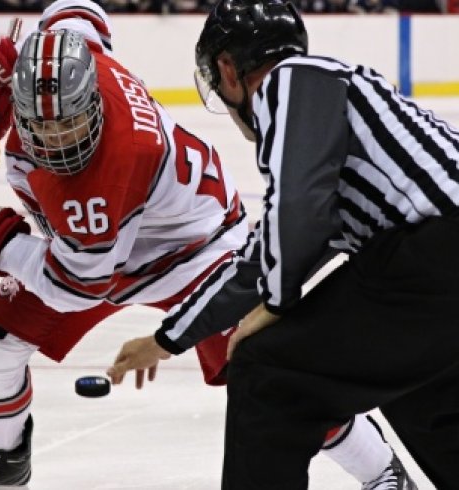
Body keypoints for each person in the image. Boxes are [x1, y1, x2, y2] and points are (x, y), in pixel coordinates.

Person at [108, 0, 459, 488]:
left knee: (266, 372)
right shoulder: (333, 119)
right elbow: (263, 257)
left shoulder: (292, 80)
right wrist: (168, 339)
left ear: (228, 69)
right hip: (433, 271)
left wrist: (275, 305)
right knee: (416, 392)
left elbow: (297, 211)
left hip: (434, 254)